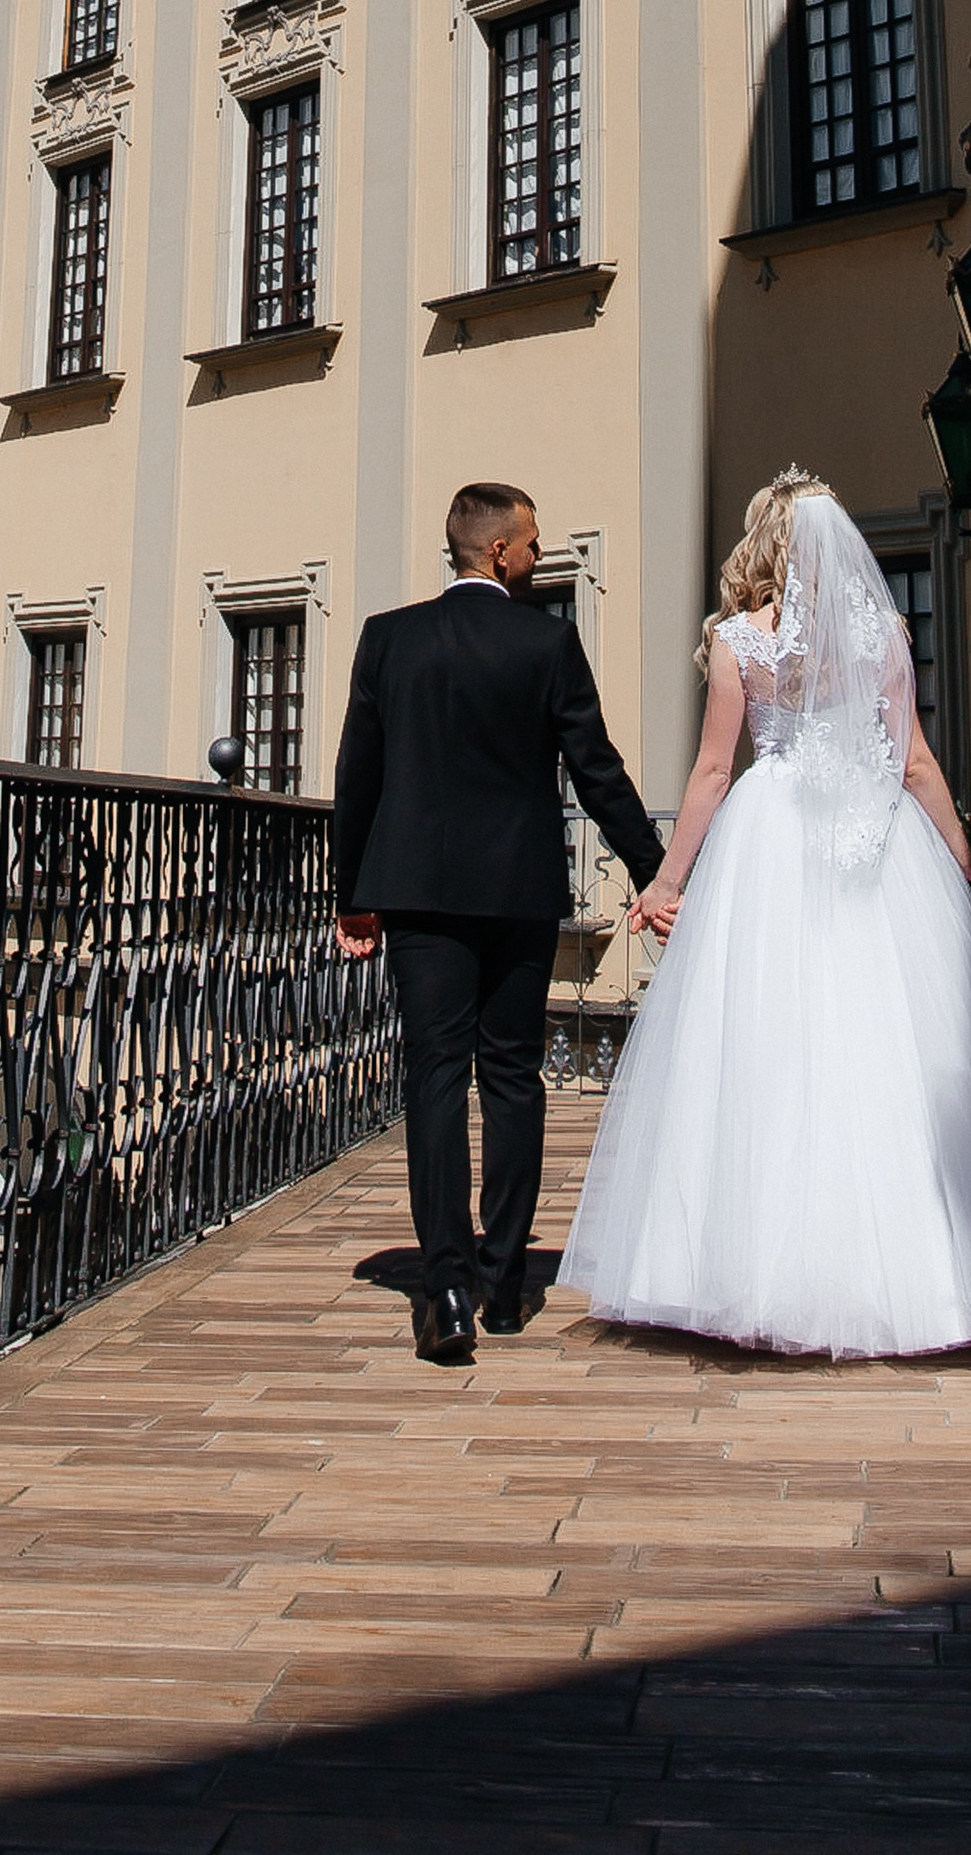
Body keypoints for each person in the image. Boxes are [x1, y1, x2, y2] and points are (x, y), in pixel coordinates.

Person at [561, 468, 971, 1357]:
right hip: (875, 843)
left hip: (770, 839)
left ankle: (746, 1272)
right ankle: (936, 1277)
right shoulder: (885, 635)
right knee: (892, 1042)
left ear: (765, 542)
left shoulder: (743, 641)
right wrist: (963, 858)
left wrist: (669, 881)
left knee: (768, 1049)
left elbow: (712, 772)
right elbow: (915, 764)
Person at [333, 480, 665, 1365]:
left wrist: (352, 893)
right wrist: (655, 872)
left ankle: (443, 1285)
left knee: (434, 1076)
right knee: (514, 1076)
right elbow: (598, 770)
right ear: (496, 553)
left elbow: (356, 774)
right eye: (531, 542)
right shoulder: (547, 641)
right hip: (517, 891)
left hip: (414, 891)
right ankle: (508, 1279)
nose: (540, 555)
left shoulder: (388, 638)